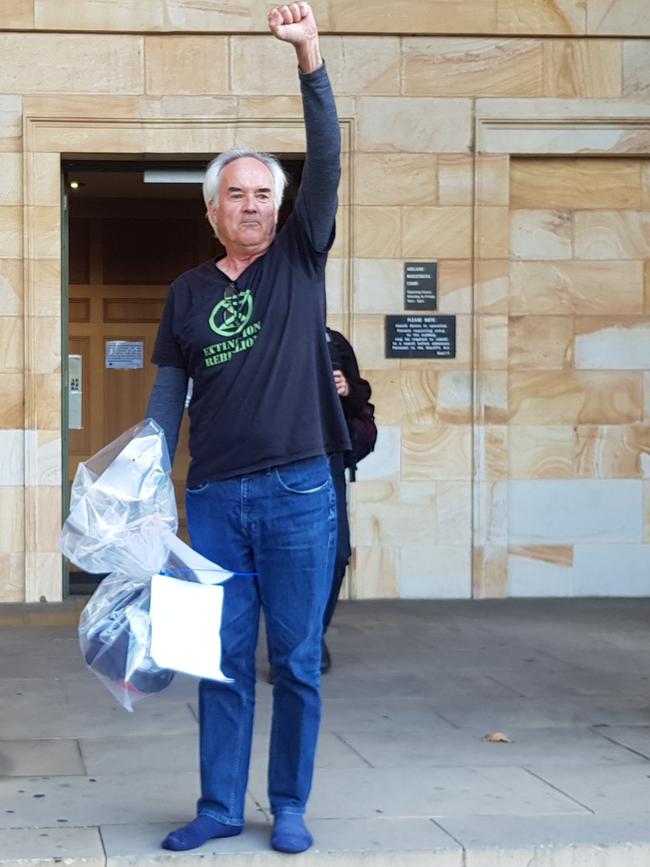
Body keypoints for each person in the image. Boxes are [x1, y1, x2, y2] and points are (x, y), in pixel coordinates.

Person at [145, 2, 349, 854]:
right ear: (213, 209)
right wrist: (147, 476)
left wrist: (308, 56)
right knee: (220, 661)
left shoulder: (301, 256)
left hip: (302, 489)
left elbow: (328, 157)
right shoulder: (190, 292)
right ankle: (220, 807)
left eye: (267, 193)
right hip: (218, 502)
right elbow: (167, 389)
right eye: (240, 194)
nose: (256, 205)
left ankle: (289, 803)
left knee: (295, 661)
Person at [322, 327, 371, 672]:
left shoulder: (332, 341)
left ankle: (312, 635)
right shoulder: (265, 332)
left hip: (328, 459)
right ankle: (291, 645)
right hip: (276, 460)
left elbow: (361, 399)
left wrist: (347, 388)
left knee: (337, 553)